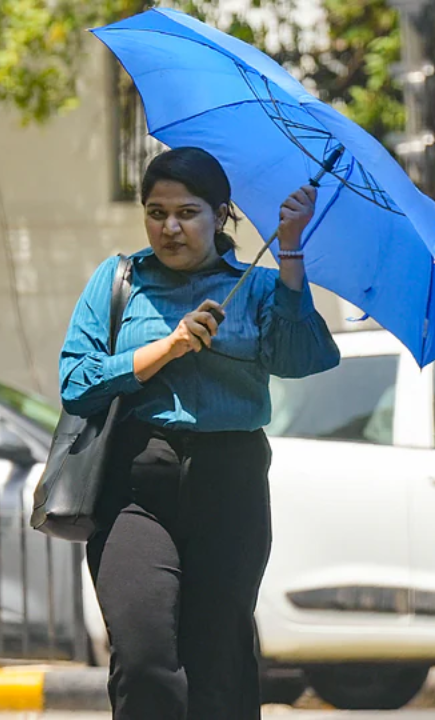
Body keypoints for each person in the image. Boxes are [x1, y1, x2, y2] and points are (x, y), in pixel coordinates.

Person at [60, 147, 341, 719]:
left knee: (219, 659)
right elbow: (76, 382)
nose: (170, 227)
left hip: (229, 481)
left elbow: (304, 356)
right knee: (143, 658)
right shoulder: (119, 282)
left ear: (221, 214)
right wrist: (165, 347)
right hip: (137, 485)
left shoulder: (258, 288)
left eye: (187, 212)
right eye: (155, 212)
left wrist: (290, 250)